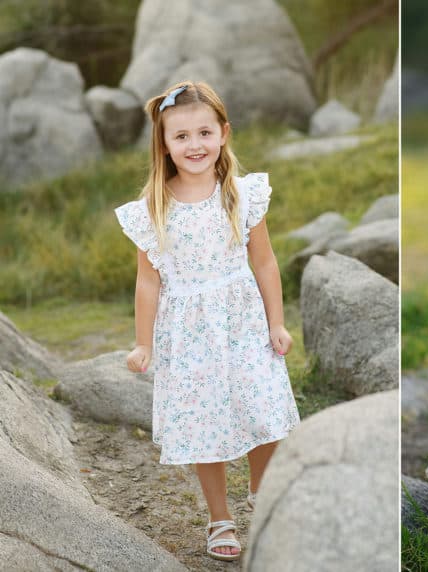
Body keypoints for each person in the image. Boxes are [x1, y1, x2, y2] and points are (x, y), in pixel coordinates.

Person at [115, 81, 300, 561]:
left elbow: (264, 263)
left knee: (265, 412)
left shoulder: (242, 194)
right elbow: (148, 282)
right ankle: (220, 517)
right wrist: (143, 343)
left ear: (223, 133)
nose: (194, 145)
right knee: (204, 422)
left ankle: (262, 495)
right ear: (165, 144)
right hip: (189, 331)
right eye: (181, 137)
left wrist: (276, 323)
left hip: (244, 323)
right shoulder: (154, 209)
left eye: (204, 132)